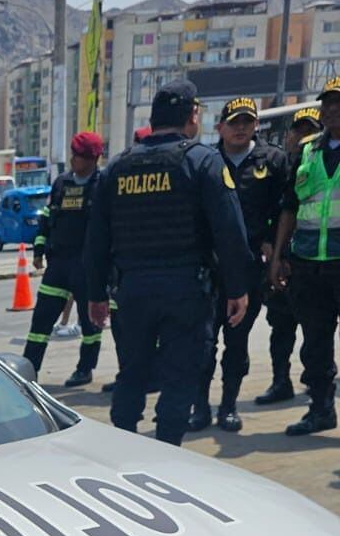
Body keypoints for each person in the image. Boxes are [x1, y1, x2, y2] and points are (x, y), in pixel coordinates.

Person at [85, 76, 249, 446]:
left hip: (132, 291)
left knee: (132, 372)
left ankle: (124, 444)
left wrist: (95, 294)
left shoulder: (117, 168)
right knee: (179, 377)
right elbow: (230, 231)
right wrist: (238, 287)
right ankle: (167, 451)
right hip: (186, 291)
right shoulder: (202, 161)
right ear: (192, 116)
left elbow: (95, 240)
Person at [186, 97, 290, 432]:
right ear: (220, 127)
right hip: (209, 269)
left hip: (248, 270)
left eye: (248, 121)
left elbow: (286, 208)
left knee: (237, 341)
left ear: (256, 125)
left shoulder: (272, 161)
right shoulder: (206, 161)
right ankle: (199, 407)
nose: (241, 128)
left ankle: (228, 406)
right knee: (203, 342)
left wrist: (273, 248)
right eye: (235, 122)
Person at [269, 76, 340, 435]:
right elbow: (289, 208)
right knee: (314, 343)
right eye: (327, 103)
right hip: (309, 262)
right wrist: (279, 256)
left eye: (338, 103)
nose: (331, 109)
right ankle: (321, 408)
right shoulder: (308, 150)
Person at [23, 130, 105, 387]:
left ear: (94, 159)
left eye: (80, 156)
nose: (74, 161)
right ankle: (29, 369)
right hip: (58, 264)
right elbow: (47, 218)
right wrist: (38, 250)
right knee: (41, 321)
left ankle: (85, 368)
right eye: (73, 155)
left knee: (90, 324)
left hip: (87, 264)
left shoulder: (103, 185)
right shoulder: (61, 183)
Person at [257, 105, 322, 405]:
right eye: (299, 129)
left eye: (311, 130)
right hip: (285, 258)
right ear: (289, 135)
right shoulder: (277, 167)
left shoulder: (322, 163)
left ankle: (318, 383)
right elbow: (273, 212)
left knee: (316, 329)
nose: (303, 136)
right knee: (280, 326)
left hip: (315, 261)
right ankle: (280, 381)